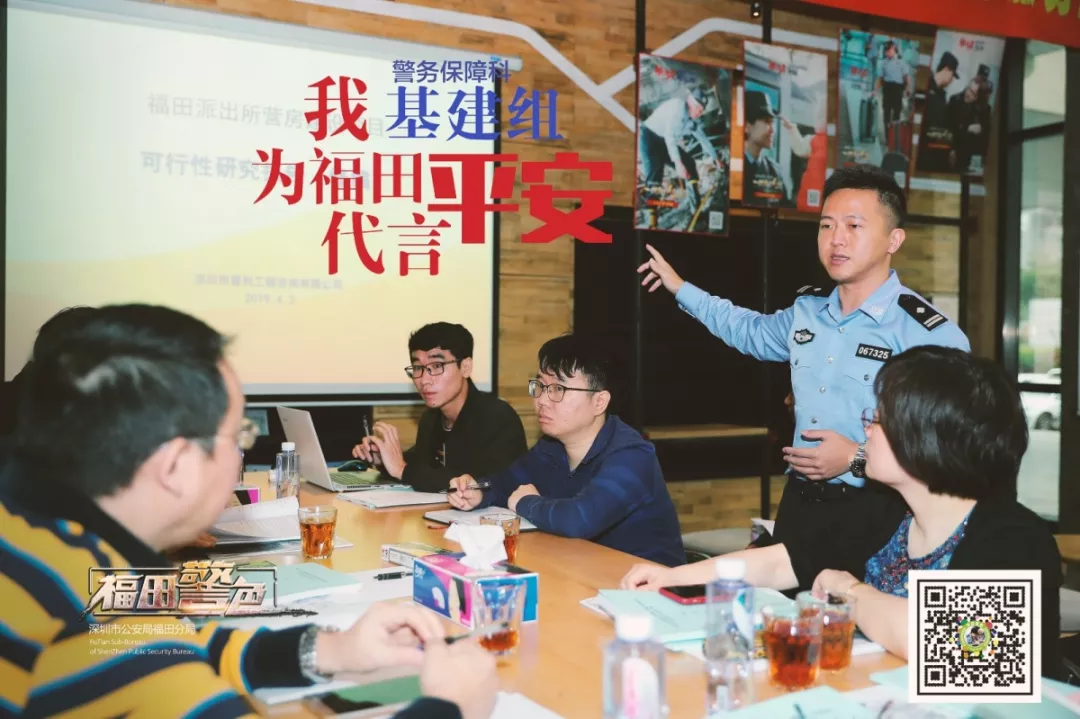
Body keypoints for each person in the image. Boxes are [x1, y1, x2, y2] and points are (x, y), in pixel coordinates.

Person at [0, 304, 498, 718]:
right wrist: (449, 706)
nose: (240, 456)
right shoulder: (77, 613)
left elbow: (182, 639)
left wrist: (331, 650)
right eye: (239, 435)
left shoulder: (48, 547)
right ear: (175, 465)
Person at [621, 346, 1063, 679]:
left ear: (927, 439)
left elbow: (954, 648)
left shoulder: (1013, 539)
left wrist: (848, 590)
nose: (865, 429)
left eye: (879, 420)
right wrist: (672, 577)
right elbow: (784, 560)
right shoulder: (886, 509)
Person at [637, 165, 970, 578]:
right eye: (826, 225)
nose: (836, 239)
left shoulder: (927, 333)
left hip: (881, 509)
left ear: (893, 240)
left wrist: (856, 458)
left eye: (854, 226)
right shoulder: (807, 312)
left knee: (858, 615)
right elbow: (748, 330)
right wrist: (681, 288)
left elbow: (950, 448)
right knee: (785, 611)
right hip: (800, 502)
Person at [446, 334, 685, 567]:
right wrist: (478, 491)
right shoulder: (551, 447)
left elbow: (579, 519)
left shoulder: (632, 456)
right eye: (540, 386)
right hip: (583, 571)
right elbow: (506, 483)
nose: (542, 400)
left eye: (558, 389)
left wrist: (526, 502)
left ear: (599, 402)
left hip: (648, 586)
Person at [353, 322, 527, 493]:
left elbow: (483, 484)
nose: (424, 380)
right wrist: (383, 459)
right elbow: (421, 467)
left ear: (465, 368)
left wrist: (401, 469)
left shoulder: (498, 418)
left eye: (436, 366)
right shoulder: (431, 418)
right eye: (417, 368)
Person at [638, 84, 720, 195]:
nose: (699, 114)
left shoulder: (691, 120)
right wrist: (678, 164)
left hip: (664, 141)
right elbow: (670, 136)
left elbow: (703, 138)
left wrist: (715, 158)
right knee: (654, 183)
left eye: (701, 111)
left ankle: (695, 202)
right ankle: (649, 204)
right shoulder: (678, 108)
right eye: (698, 109)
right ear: (690, 102)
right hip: (650, 138)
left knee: (689, 164)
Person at [742, 91, 787, 206]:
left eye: (773, 122)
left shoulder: (775, 171)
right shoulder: (731, 168)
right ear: (746, 126)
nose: (773, 130)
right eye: (766, 121)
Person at [917, 51, 959, 173]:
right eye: (952, 75)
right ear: (946, 69)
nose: (951, 80)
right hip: (925, 152)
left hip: (938, 152)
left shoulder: (941, 94)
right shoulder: (926, 87)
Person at [947, 66, 993, 174]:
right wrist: (967, 128)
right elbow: (949, 127)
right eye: (968, 89)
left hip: (970, 156)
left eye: (973, 93)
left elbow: (986, 136)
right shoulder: (955, 101)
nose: (968, 94)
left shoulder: (983, 109)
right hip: (953, 149)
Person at [876, 41, 912, 129]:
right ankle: (887, 130)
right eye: (885, 51)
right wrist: (875, 90)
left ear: (894, 49)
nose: (886, 53)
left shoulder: (902, 62)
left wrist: (908, 88)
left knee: (897, 110)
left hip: (897, 88)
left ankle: (895, 131)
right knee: (886, 110)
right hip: (887, 87)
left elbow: (906, 77)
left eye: (888, 50)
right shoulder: (884, 63)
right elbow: (880, 78)